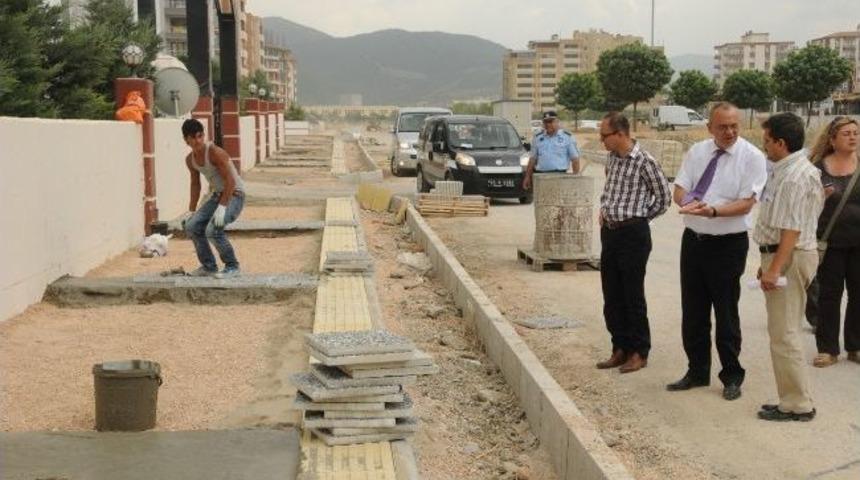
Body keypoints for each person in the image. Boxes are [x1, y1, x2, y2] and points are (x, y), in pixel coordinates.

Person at [666, 102, 768, 401]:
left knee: (726, 311)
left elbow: (747, 202)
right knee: (693, 310)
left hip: (728, 243)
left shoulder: (752, 157)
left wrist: (712, 211)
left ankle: (732, 375)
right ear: (710, 127)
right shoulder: (698, 152)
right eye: (722, 126)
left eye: (734, 125)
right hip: (694, 240)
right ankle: (697, 371)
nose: (729, 131)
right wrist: (689, 202)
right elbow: (680, 188)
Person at [753, 112, 824, 422]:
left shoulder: (794, 176)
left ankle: (797, 404)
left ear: (780, 143)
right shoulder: (788, 170)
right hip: (783, 255)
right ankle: (793, 397)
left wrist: (774, 268)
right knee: (785, 329)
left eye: (767, 140)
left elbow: (791, 230)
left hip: (789, 256)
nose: (764, 146)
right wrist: (767, 262)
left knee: (785, 333)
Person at [596, 112, 671, 373]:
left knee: (632, 295)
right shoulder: (613, 158)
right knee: (612, 295)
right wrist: (605, 211)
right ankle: (620, 347)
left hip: (633, 235)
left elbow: (664, 198)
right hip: (610, 232)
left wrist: (639, 219)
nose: (601, 141)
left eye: (604, 135)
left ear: (620, 134)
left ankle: (639, 351)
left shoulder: (644, 161)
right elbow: (611, 189)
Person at [806, 116, 860, 367]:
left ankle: (855, 346)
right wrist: (820, 197)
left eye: (855, 133)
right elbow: (804, 204)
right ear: (832, 139)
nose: (852, 137)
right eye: (846, 133)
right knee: (829, 295)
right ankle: (828, 349)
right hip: (830, 243)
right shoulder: (816, 167)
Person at [181, 119, 245, 278]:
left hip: (235, 194)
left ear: (203, 135)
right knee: (192, 226)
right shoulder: (190, 160)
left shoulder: (215, 152)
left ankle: (233, 266)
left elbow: (230, 181)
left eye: (199, 136)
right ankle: (209, 267)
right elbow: (195, 184)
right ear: (186, 140)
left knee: (213, 230)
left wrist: (222, 208)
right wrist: (191, 210)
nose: (197, 141)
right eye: (192, 138)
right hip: (218, 195)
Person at [522, 111, 580, 190]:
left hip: (560, 176)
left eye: (550, 121)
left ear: (557, 122)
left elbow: (575, 159)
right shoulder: (538, 138)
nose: (548, 124)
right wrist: (527, 177)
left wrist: (575, 179)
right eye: (545, 122)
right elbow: (532, 159)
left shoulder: (567, 137)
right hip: (541, 177)